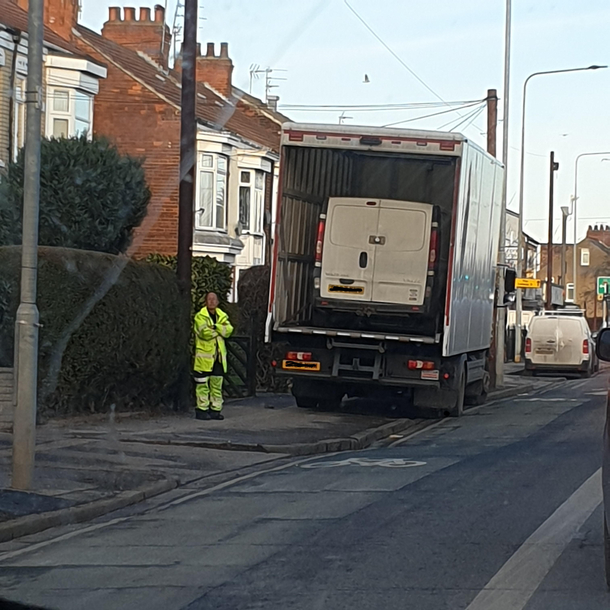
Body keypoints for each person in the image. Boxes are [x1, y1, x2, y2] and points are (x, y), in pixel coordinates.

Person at [193, 292, 234, 420]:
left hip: (218, 359)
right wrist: (220, 330)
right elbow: (204, 333)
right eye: (209, 299)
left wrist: (214, 327)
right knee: (202, 386)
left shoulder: (222, 316)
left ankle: (215, 411)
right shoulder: (200, 316)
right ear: (206, 302)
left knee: (216, 386)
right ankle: (202, 410)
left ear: (217, 302)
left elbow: (229, 331)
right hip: (203, 360)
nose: (211, 301)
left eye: (214, 299)